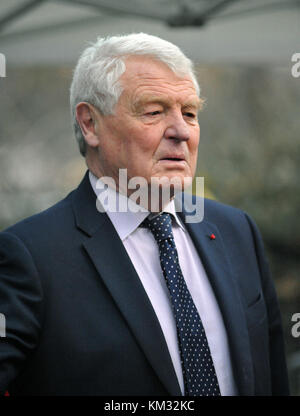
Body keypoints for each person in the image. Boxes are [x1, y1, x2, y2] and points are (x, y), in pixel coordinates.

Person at [0, 33, 289, 396]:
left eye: (190, 113)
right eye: (154, 111)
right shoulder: (30, 257)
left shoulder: (236, 231)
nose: (182, 131)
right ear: (90, 124)